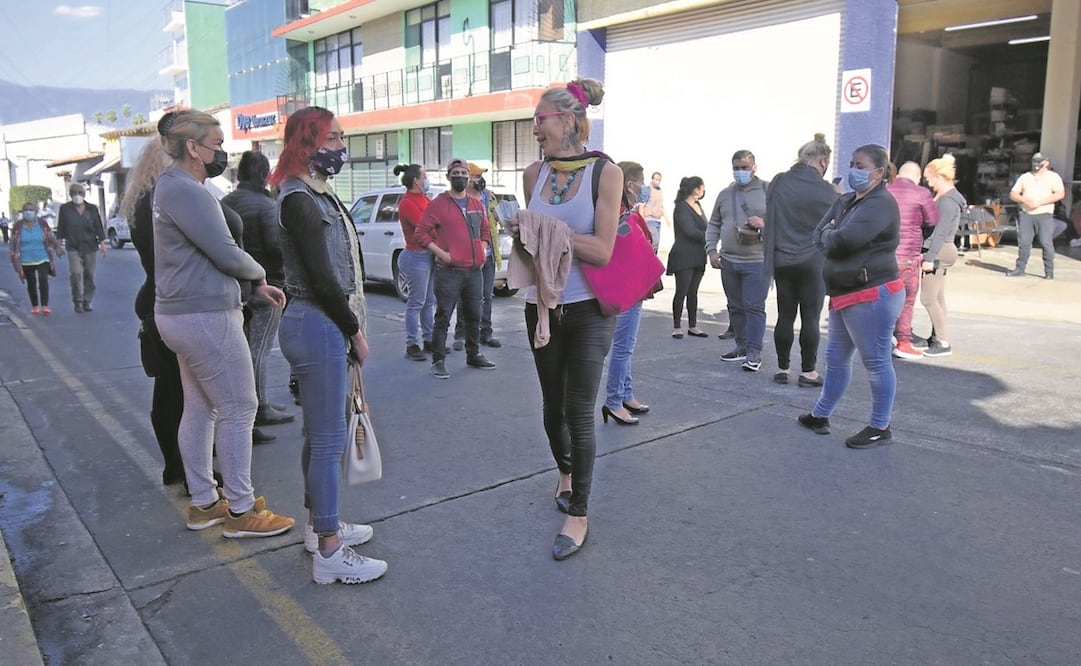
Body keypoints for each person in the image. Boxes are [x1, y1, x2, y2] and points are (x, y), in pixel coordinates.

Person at [152, 109, 295, 538]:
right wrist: (259, 275)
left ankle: (204, 502)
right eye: (215, 144)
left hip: (185, 314)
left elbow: (202, 257)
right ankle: (240, 509)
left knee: (201, 408)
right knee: (239, 407)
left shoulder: (175, 187)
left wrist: (252, 289)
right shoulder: (187, 191)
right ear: (192, 148)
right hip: (204, 317)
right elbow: (226, 252)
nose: (222, 153)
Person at [272, 107, 387, 585]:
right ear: (307, 140)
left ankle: (320, 525)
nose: (341, 145)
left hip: (316, 323)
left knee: (320, 433)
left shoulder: (313, 194)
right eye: (333, 137)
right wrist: (354, 332)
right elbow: (322, 278)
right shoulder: (300, 198)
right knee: (326, 440)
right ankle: (329, 551)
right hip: (317, 322)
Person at [516, 77, 621, 560]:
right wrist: (520, 230)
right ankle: (565, 471)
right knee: (550, 408)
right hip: (541, 307)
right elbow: (531, 244)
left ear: (569, 121)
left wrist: (545, 231)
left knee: (579, 412)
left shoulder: (606, 173)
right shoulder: (533, 174)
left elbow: (601, 250)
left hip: (588, 311)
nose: (534, 128)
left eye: (541, 120)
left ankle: (578, 512)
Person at [798, 143, 903, 450]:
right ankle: (820, 414)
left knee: (876, 362)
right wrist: (830, 234)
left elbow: (844, 239)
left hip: (870, 293)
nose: (853, 170)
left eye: (861, 165)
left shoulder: (880, 204)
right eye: (852, 163)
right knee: (836, 360)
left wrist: (831, 234)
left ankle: (880, 426)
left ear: (879, 172)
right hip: (845, 292)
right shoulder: (846, 201)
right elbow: (818, 233)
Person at [222, 151, 295, 429]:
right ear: (265, 176)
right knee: (259, 349)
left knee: (241, 348)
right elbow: (276, 248)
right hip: (267, 284)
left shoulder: (225, 202)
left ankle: (252, 404)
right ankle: (259, 406)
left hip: (235, 286)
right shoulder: (266, 206)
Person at [763, 134, 838, 386]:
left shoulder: (780, 181)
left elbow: (770, 216)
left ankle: (783, 368)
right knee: (810, 318)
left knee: (785, 315)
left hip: (782, 258)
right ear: (822, 159)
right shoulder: (827, 190)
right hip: (813, 260)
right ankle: (808, 372)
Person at [415, 157, 496, 379]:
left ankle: (473, 354)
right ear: (448, 177)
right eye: (455, 173)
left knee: (474, 315)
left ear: (468, 177)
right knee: (443, 316)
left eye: (463, 174)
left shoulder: (476, 204)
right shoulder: (439, 204)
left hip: (473, 271)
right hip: (449, 272)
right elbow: (421, 233)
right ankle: (438, 361)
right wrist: (442, 254)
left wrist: (483, 245)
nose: (459, 177)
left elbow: (486, 231)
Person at [705, 150, 769, 372]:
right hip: (729, 261)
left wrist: (762, 226)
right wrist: (712, 250)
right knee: (735, 307)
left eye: (744, 167)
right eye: (736, 167)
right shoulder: (724, 194)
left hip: (757, 261)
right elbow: (713, 223)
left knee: (754, 307)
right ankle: (741, 346)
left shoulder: (768, 190)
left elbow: (782, 224)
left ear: (754, 167)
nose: (740, 171)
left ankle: (754, 352)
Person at [601, 160, 653, 427]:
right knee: (623, 347)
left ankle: (626, 394)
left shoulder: (626, 210)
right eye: (641, 182)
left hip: (633, 286)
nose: (644, 188)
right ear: (630, 184)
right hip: (626, 287)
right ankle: (613, 401)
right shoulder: (620, 213)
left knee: (627, 346)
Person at [885, 161, 939, 359]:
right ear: (917, 177)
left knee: (882, 298)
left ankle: (879, 340)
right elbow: (933, 220)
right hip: (908, 256)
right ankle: (903, 342)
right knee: (906, 301)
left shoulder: (884, 189)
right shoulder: (921, 193)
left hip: (884, 255)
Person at [919, 154, 965, 359]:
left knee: (928, 298)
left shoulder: (946, 201)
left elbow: (939, 232)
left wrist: (929, 258)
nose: (928, 182)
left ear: (938, 176)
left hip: (939, 249)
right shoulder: (950, 198)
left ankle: (942, 340)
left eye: (929, 178)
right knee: (938, 296)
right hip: (945, 249)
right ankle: (937, 336)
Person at [394, 162, 437, 361]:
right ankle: (412, 344)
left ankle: (428, 340)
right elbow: (425, 228)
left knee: (428, 302)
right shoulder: (407, 203)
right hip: (416, 256)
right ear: (415, 181)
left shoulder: (424, 199)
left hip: (428, 255)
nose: (426, 181)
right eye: (424, 177)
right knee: (416, 303)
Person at [1007, 152, 1064, 280]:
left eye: (1039, 161)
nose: (1036, 164)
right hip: (1026, 214)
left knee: (1045, 242)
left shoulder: (1053, 177)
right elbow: (1013, 194)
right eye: (1034, 161)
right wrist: (1025, 200)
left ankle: (1049, 271)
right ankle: (1020, 269)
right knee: (1024, 243)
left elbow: (1060, 194)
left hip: (1044, 214)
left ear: (1047, 163)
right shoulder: (1025, 177)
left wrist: (1039, 202)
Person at [56, 182, 106, 313]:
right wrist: (58, 245)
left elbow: (98, 226)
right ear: (70, 194)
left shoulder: (92, 209)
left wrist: (103, 244)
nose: (77, 195)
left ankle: (87, 300)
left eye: (80, 193)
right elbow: (61, 227)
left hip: (90, 245)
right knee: (76, 273)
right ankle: (77, 301)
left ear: (84, 194)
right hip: (73, 246)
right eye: (74, 193)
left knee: (89, 274)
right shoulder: (65, 209)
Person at [668, 176, 708, 338]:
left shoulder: (698, 205)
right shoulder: (681, 207)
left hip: (699, 254)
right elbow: (689, 230)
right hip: (684, 254)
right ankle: (677, 327)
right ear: (695, 189)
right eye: (701, 187)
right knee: (681, 291)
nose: (703, 190)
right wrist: (710, 237)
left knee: (693, 291)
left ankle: (693, 326)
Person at [9, 203, 63, 315]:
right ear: (22, 212)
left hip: (42, 257)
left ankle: (44, 305)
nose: (28, 212)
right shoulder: (18, 226)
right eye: (26, 210)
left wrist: (57, 247)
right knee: (31, 282)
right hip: (26, 259)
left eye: (31, 210)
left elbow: (50, 236)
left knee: (43, 279)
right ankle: (34, 305)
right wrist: (14, 259)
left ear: (35, 212)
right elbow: (13, 243)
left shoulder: (42, 224)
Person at [640, 172, 666, 252]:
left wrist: (667, 219)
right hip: (649, 219)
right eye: (656, 179)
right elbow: (641, 205)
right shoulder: (647, 190)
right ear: (652, 179)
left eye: (659, 180)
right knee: (653, 242)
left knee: (656, 244)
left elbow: (661, 206)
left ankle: (652, 261)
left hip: (657, 220)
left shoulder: (660, 191)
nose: (657, 181)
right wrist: (641, 220)